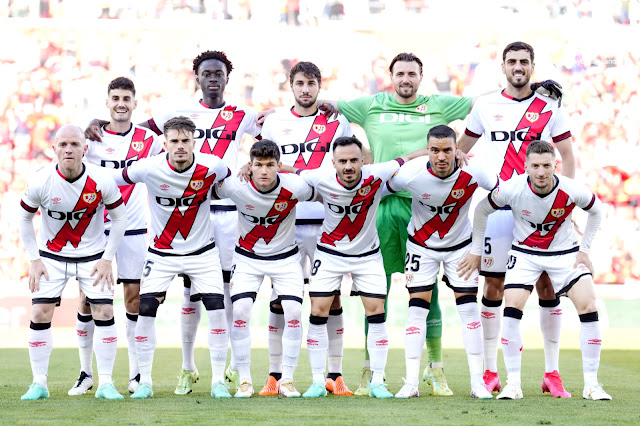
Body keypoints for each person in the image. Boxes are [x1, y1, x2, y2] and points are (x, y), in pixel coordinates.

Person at [86, 50, 261, 395]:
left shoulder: (244, 115)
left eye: (219, 73)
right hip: (178, 224)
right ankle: (186, 366)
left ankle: (233, 371)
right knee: (188, 297)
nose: (213, 78)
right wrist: (97, 127)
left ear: (228, 77)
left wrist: (249, 165)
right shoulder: (174, 114)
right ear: (196, 76)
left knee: (223, 296)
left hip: (224, 216)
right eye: (206, 72)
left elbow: (278, 135)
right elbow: (130, 131)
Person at [325, 53, 473, 395]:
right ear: (391, 76)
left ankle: (435, 369)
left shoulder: (439, 105)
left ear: (421, 77)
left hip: (425, 210)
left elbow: (483, 107)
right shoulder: (370, 105)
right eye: (400, 73)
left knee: (428, 291)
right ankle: (369, 370)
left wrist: (458, 152)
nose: (406, 78)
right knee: (374, 291)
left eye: (412, 73)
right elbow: (323, 103)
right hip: (381, 207)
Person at [458, 41, 576, 396]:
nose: (518, 67)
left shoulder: (550, 108)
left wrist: (564, 205)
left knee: (547, 287)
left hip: (539, 212)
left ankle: (551, 373)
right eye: (512, 62)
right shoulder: (485, 105)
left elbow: (567, 157)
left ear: (532, 66)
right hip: (496, 210)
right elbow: (461, 151)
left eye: (524, 61)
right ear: (504, 67)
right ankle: (491, 371)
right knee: (492, 287)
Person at [457, 140, 610, 401]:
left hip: (564, 255)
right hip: (525, 255)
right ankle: (513, 384)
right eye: (536, 166)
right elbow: (482, 211)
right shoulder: (512, 188)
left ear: (555, 166)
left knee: (589, 305)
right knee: (512, 304)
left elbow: (597, 211)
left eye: (547, 166)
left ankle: (592, 385)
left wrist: (584, 248)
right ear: (526, 166)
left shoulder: (571, 189)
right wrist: (476, 250)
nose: (541, 172)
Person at [289, 136, 423, 399]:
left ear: (363, 161)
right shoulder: (320, 177)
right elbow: (290, 170)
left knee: (376, 312)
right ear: (333, 163)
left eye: (353, 160)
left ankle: (376, 382)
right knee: (317, 311)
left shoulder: (377, 174)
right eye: (342, 161)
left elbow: (407, 159)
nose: (348, 166)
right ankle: (318, 381)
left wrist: (433, 153)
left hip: (368, 256)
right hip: (329, 254)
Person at [112, 116, 232, 399]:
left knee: (216, 309)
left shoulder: (212, 165)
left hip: (203, 253)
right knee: (145, 311)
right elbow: (111, 178)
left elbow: (235, 175)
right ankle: (145, 382)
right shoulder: (148, 167)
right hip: (162, 253)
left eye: (185, 141)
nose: (180, 146)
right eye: (174, 141)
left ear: (194, 142)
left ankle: (217, 381)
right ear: (164, 144)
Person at [259, 61, 354, 396]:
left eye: (311, 83)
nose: (305, 89)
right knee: (279, 297)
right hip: (285, 220)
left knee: (331, 298)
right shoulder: (274, 122)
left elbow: (351, 161)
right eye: (300, 83)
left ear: (319, 85)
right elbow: (263, 163)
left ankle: (335, 373)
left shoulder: (336, 120)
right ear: (291, 85)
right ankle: (275, 375)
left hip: (328, 219)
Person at [386, 125, 497, 399]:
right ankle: (411, 383)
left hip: (461, 249)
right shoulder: (411, 174)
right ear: (428, 151)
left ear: (456, 149)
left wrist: (479, 246)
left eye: (447, 150)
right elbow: (380, 189)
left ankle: (477, 383)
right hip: (421, 247)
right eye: (434, 150)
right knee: (416, 311)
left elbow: (501, 196)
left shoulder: (475, 172)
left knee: (469, 312)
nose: (441, 157)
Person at [68, 77, 162, 397]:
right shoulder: (90, 138)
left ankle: (136, 374)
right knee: (87, 299)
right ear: (106, 102)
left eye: (126, 98)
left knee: (133, 298)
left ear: (135, 103)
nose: (121, 102)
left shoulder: (149, 140)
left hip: (133, 228)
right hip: (96, 229)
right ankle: (86, 373)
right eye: (115, 97)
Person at [18, 125, 127, 400]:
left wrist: (107, 259)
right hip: (51, 257)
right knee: (40, 313)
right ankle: (39, 384)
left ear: (85, 149)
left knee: (103, 313)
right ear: (54, 149)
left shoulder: (101, 179)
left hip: (92, 257)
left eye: (75, 145)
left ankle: (106, 384)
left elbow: (119, 218)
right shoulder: (40, 180)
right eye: (63, 144)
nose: (69, 149)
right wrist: (34, 259)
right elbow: (23, 218)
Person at [213, 140, 313, 398]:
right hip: (247, 258)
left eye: (270, 165)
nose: (264, 171)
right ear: (250, 166)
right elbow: (210, 189)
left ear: (280, 166)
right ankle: (244, 381)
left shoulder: (295, 187)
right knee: (241, 311)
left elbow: (321, 186)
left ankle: (287, 380)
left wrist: (292, 170)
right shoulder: (237, 186)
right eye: (258, 165)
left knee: (293, 311)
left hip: (285, 258)